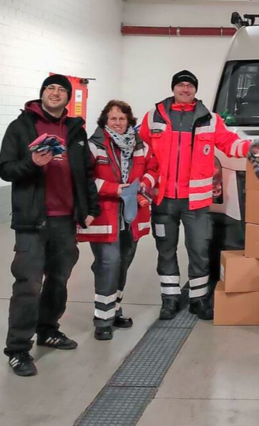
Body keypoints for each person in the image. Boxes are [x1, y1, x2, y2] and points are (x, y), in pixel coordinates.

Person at [139, 70, 259, 321]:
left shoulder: (210, 119)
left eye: (190, 86)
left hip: (196, 202)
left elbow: (228, 142)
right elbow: (142, 152)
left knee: (199, 251)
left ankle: (199, 299)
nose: (185, 89)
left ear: (195, 90)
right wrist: (142, 183)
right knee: (166, 251)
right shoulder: (153, 117)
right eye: (181, 85)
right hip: (163, 200)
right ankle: (170, 299)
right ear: (174, 88)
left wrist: (248, 147)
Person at [0, 74, 100, 376]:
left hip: (66, 220)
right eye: (50, 88)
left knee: (58, 281)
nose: (55, 93)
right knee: (28, 285)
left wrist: (90, 208)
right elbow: (5, 169)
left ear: (68, 98)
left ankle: (47, 329)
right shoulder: (21, 127)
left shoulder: (75, 130)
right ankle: (18, 349)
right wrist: (33, 163)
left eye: (61, 90)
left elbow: (85, 173)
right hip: (33, 221)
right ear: (42, 94)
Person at [78, 100, 159, 341]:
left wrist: (144, 183)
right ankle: (102, 320)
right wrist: (117, 189)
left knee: (124, 260)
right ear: (105, 121)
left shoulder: (140, 146)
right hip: (105, 214)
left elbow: (153, 169)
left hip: (131, 215)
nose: (117, 122)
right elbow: (85, 179)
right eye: (113, 118)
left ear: (129, 121)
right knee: (108, 262)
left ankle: (114, 310)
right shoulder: (94, 146)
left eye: (122, 118)